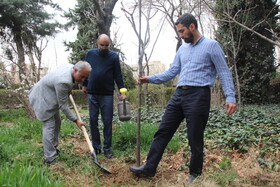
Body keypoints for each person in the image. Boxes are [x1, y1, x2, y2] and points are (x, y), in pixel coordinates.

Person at [129, 13, 237, 183]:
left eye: (182, 31)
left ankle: (195, 174)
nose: (180, 35)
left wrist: (230, 96)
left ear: (192, 27)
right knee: (162, 131)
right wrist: (149, 79)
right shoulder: (182, 49)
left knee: (195, 137)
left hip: (199, 95)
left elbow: (223, 71)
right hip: (179, 95)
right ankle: (149, 168)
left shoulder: (211, 45)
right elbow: (172, 72)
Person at [29, 61, 92, 165]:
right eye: (82, 77)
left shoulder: (71, 67)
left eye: (86, 78)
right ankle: (50, 159)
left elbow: (63, 85)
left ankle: (53, 148)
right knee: (49, 126)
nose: (83, 80)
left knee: (57, 122)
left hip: (49, 96)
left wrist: (68, 90)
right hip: (42, 99)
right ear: (75, 70)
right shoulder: (63, 81)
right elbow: (63, 106)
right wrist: (76, 120)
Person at [82, 34, 125, 159]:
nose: (104, 47)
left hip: (107, 94)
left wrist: (122, 91)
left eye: (106, 45)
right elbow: (86, 70)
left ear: (109, 45)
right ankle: (96, 147)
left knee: (107, 121)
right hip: (92, 93)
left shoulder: (114, 57)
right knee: (93, 120)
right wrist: (85, 85)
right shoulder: (90, 54)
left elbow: (118, 75)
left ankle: (107, 149)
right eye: (102, 45)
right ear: (97, 43)